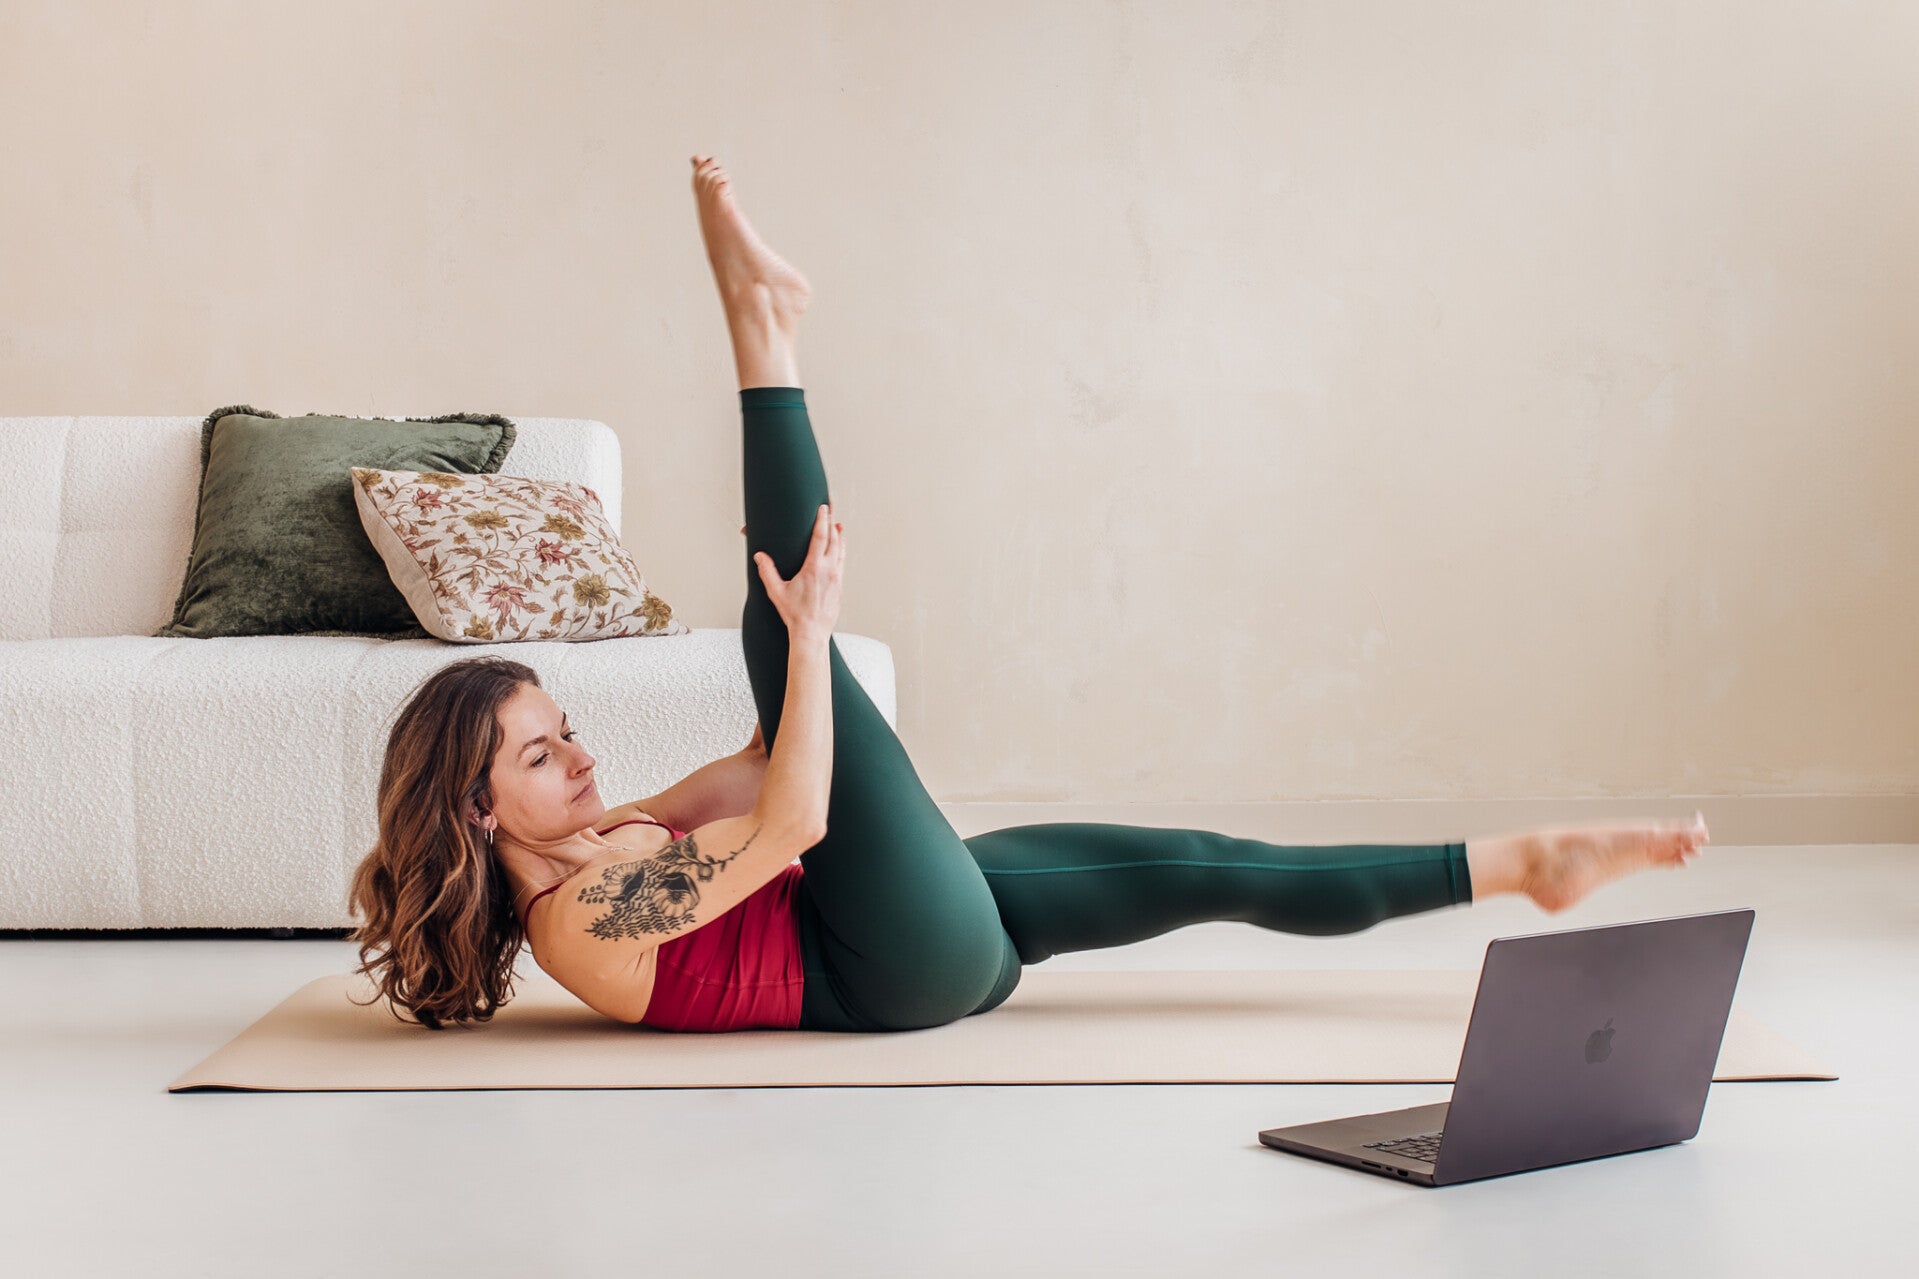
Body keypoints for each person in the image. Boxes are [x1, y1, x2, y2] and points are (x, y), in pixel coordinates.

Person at [344, 156, 1710, 1033]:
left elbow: (764, 766)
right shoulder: (580, 922)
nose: (580, 752)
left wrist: (797, 680)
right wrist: (806, 640)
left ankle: (1523, 867)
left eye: (561, 726)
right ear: (475, 808)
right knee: (778, 620)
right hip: (886, 970)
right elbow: (799, 814)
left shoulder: (615, 841)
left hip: (931, 935)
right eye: (541, 751)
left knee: (1205, 866)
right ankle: (764, 332)